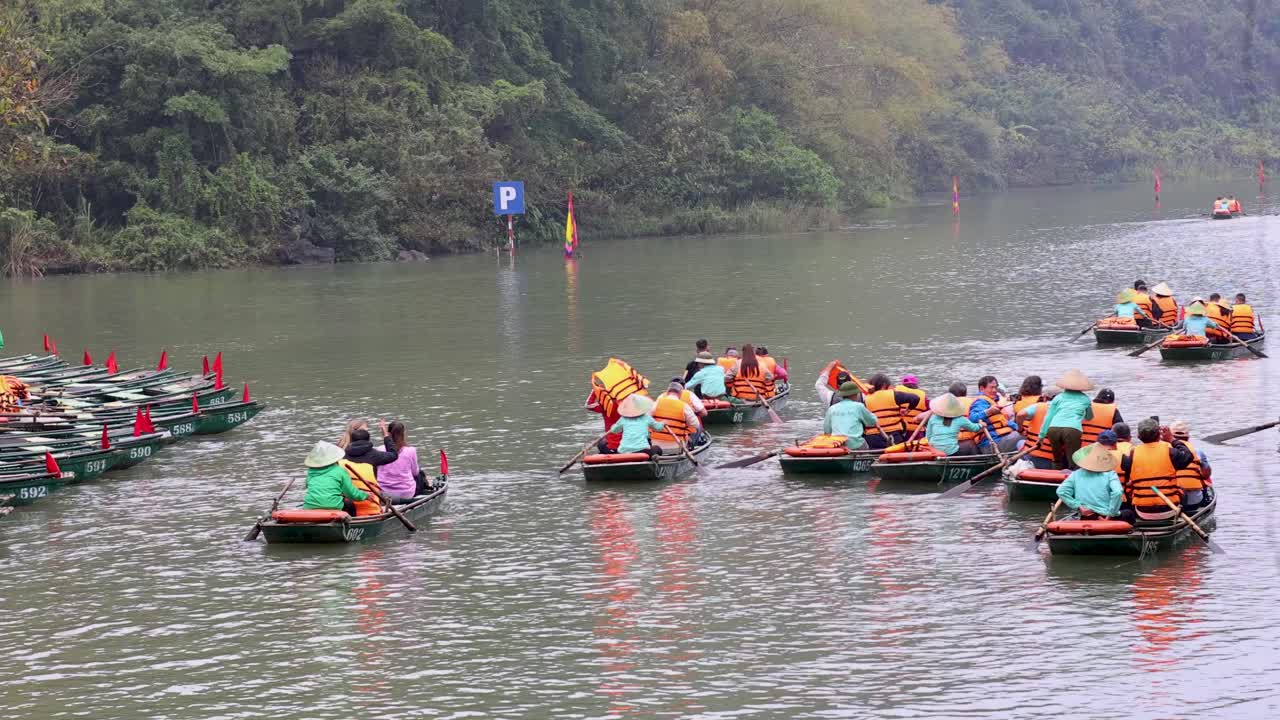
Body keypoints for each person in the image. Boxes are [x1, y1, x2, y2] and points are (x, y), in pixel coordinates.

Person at [1120, 418, 1194, 521]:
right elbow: (1188, 456)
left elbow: (1127, 479)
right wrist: (1172, 439)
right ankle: (1180, 517)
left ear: (1138, 437)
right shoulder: (1170, 452)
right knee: (1182, 490)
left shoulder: (1132, 455)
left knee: (1129, 490)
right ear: (1159, 435)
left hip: (1142, 511)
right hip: (1169, 509)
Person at [1033, 370, 1095, 470]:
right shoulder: (1085, 399)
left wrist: (1041, 436)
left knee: (1057, 459)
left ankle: (1054, 478)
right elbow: (1089, 417)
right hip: (1072, 429)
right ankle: (1071, 478)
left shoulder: (1058, 397)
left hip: (1053, 429)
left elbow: (1048, 417)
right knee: (1074, 461)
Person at [302, 441, 372, 515]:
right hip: (333, 506)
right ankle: (351, 525)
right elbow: (351, 493)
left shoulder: (310, 472)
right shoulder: (339, 471)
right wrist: (365, 495)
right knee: (350, 505)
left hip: (309, 506)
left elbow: (309, 486)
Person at [1056, 443, 1124, 520]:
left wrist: (1078, 506)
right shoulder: (1110, 474)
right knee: (1129, 514)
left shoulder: (1076, 474)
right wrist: (1111, 513)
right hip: (1105, 515)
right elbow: (1118, 492)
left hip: (1085, 514)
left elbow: (1061, 491)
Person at [342, 426, 398, 516]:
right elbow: (394, 454)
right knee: (397, 499)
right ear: (368, 440)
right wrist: (386, 436)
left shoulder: (343, 457)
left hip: (348, 501)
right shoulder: (374, 455)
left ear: (351, 441)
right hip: (370, 497)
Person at [862, 374, 919, 447]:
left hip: (873, 438)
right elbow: (915, 398)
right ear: (884, 385)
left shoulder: (866, 399)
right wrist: (907, 410)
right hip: (894, 435)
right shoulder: (893, 394)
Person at [377, 420, 429, 502]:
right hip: (405, 494)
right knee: (420, 475)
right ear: (403, 434)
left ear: (388, 434)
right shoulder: (411, 450)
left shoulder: (379, 449)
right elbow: (415, 472)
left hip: (383, 492)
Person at [968, 375, 1022, 452]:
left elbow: (1004, 422)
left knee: (1026, 433)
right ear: (981, 389)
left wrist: (1019, 428)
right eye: (991, 387)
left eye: (996, 387)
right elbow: (972, 418)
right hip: (990, 444)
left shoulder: (992, 402)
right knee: (1026, 438)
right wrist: (988, 412)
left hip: (1000, 438)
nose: (994, 390)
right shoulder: (980, 402)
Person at [822, 382, 879, 450]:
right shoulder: (859, 406)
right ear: (855, 394)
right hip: (855, 444)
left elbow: (827, 430)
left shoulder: (832, 408)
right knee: (865, 444)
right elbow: (872, 421)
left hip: (837, 445)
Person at [1170, 420, 1211, 512]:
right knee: (1205, 484)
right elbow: (1206, 475)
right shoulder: (1198, 452)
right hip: (1194, 503)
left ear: (1170, 437)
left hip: (1170, 502)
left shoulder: (1165, 451)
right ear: (1187, 437)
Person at [650, 381, 705, 450]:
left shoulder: (657, 402)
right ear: (680, 393)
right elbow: (695, 425)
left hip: (656, 445)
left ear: (667, 392)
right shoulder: (684, 406)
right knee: (698, 428)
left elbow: (647, 418)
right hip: (677, 445)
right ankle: (692, 447)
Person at [1020, 388, 1059, 469]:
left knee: (1020, 442)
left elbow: (1020, 415)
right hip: (1052, 461)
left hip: (1031, 456)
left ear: (1045, 398)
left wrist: (1021, 429)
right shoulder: (1066, 411)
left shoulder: (1037, 406)